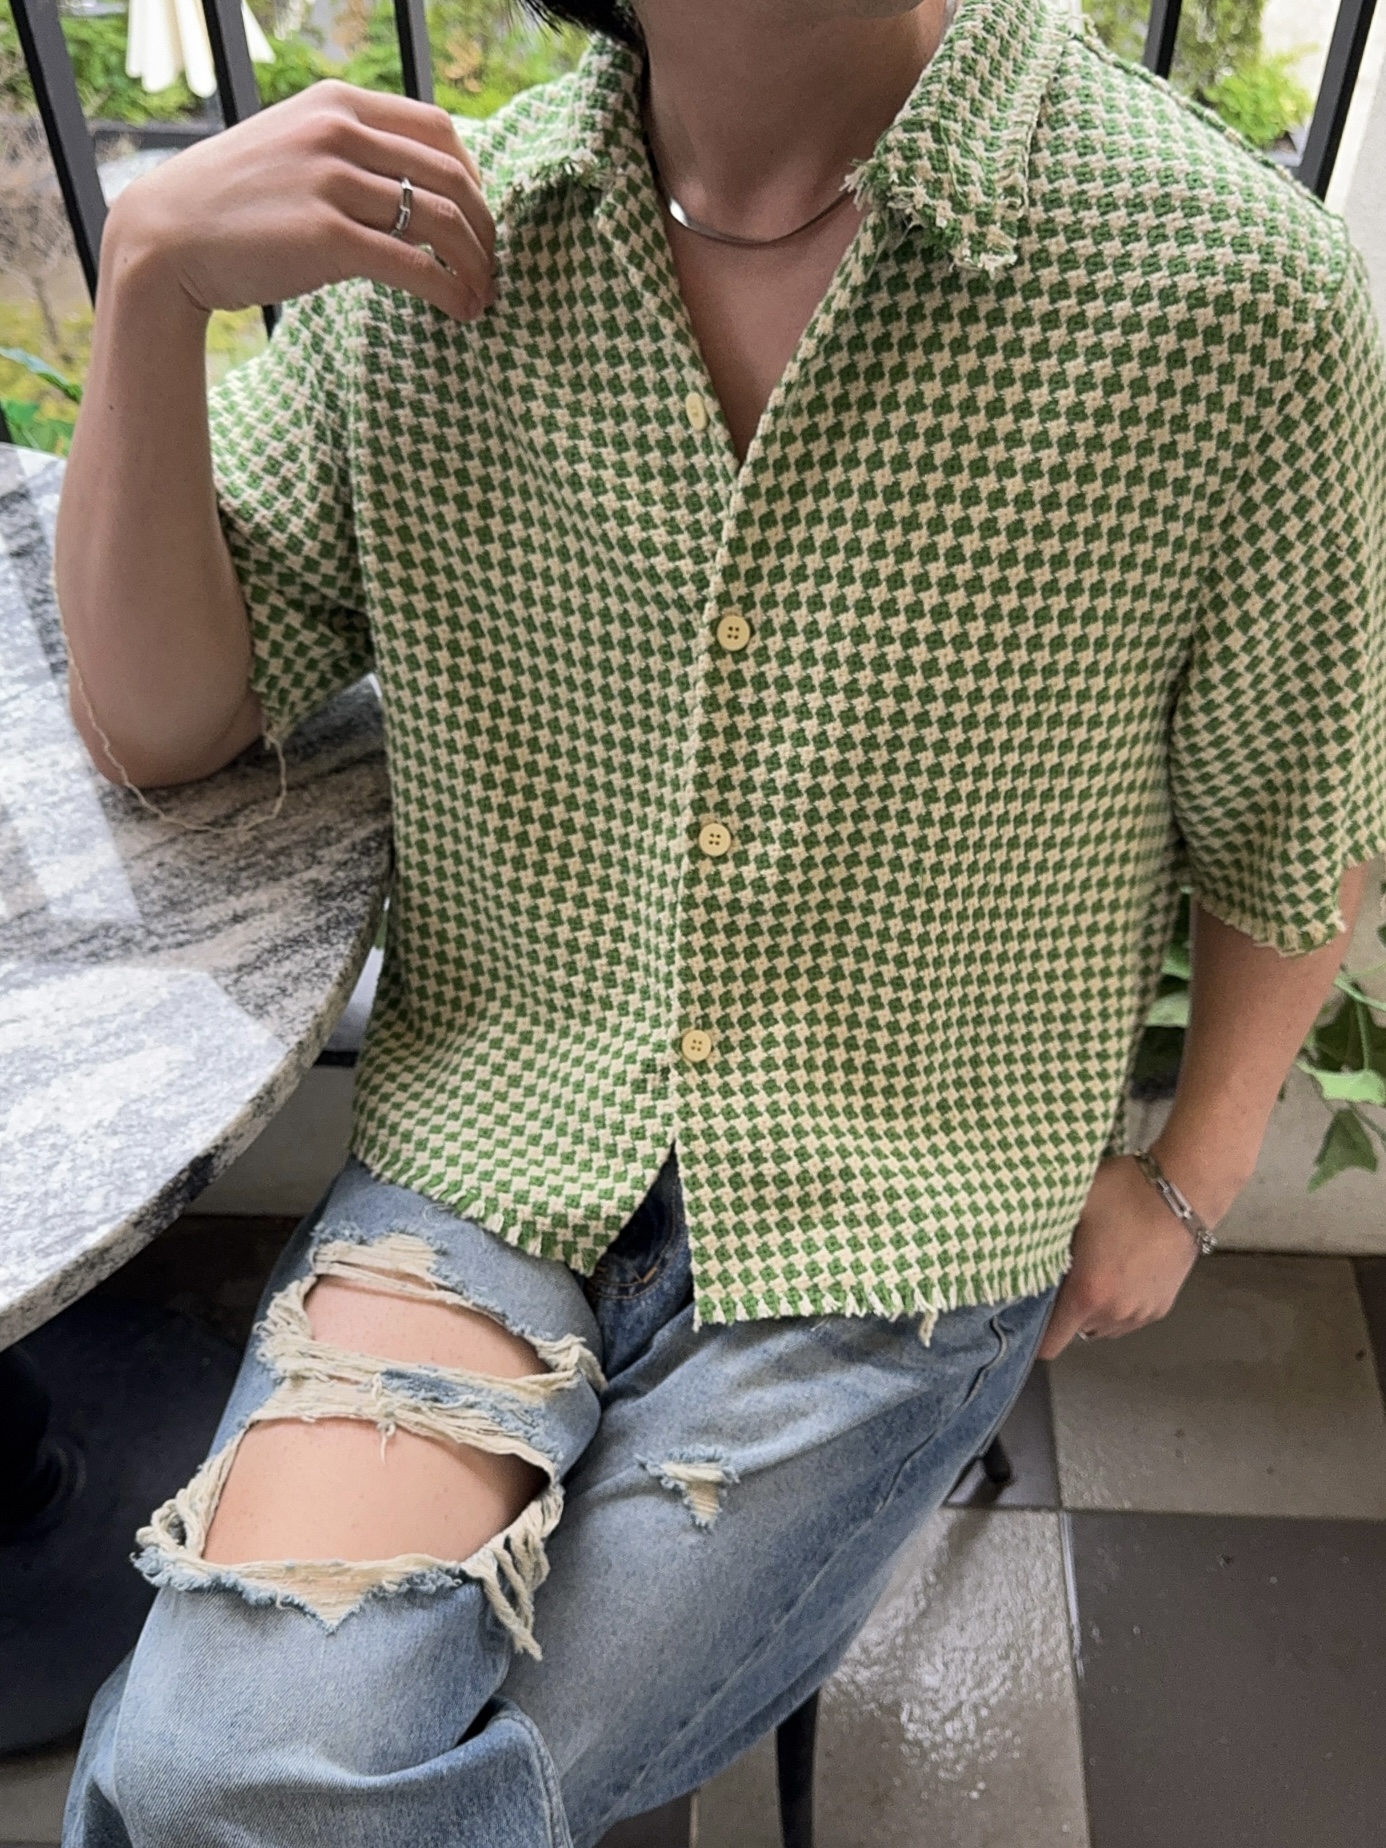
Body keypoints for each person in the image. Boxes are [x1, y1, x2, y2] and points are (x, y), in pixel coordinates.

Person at [55, 0, 1385, 1840]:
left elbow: (1295, 815)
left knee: (214, 1800)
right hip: (493, 1162)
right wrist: (149, 288)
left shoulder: (1230, 294)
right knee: (216, 1775)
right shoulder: (436, 251)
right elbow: (160, 724)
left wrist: (1184, 1181)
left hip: (899, 1225)